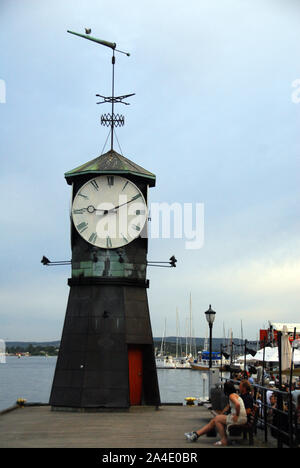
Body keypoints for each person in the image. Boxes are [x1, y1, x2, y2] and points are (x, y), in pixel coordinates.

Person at [184, 381, 247, 446]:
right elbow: (227, 407)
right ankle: (196, 434)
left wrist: (236, 415)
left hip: (239, 418)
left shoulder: (231, 396)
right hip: (241, 418)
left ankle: (223, 440)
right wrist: (221, 414)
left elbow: (237, 404)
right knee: (215, 420)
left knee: (217, 419)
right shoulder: (234, 395)